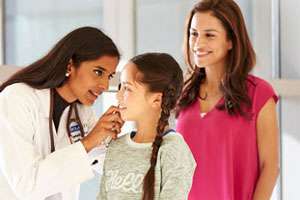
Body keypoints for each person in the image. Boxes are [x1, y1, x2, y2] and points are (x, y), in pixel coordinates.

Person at [0, 26, 124, 200]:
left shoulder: (81, 112)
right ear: (70, 65)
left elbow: (107, 164)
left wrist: (125, 141)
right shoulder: (17, 98)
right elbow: (27, 186)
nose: (104, 85)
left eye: (109, 76)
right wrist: (88, 142)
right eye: (98, 72)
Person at [176, 0, 279, 199]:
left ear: (231, 41)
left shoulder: (259, 93)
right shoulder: (183, 94)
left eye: (209, 35)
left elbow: (270, 167)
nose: (198, 43)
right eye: (194, 33)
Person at [98, 53, 196, 200]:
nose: (118, 96)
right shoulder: (116, 147)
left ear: (157, 99)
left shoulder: (174, 149)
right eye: (120, 87)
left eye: (127, 88)